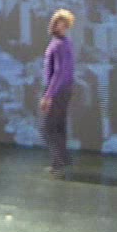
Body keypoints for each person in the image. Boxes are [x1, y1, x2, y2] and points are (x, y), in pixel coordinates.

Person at [39, 9, 77, 175]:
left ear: (65, 26)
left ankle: (58, 161)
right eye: (54, 22)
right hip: (63, 89)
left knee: (48, 127)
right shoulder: (63, 43)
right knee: (59, 126)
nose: (54, 25)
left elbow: (59, 71)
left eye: (58, 23)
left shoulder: (60, 44)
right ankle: (63, 159)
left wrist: (48, 95)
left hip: (58, 90)